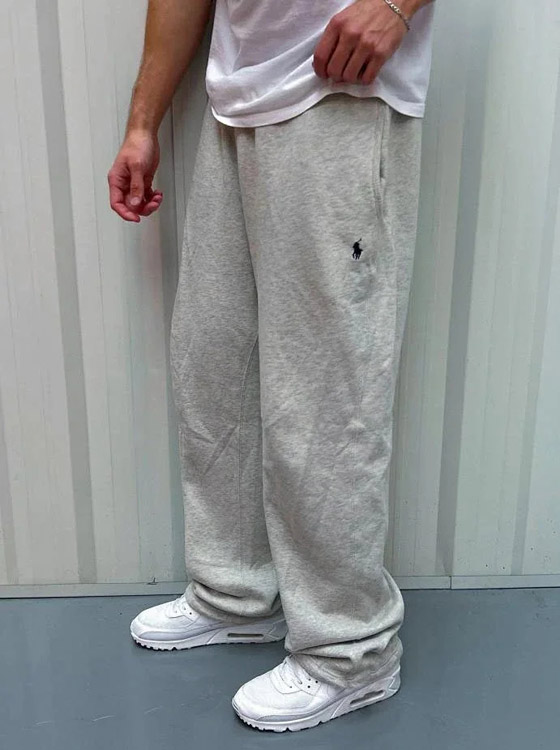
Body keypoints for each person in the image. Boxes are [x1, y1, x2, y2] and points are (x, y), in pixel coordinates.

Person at [108, 0, 436, 733]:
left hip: (342, 89)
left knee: (327, 393)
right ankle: (236, 594)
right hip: (238, 96)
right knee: (215, 364)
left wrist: (396, 5)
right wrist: (142, 122)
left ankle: (351, 651)